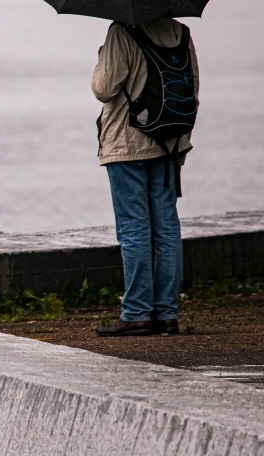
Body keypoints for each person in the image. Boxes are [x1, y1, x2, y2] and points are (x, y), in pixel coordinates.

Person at [91, 18, 199, 337]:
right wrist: (182, 142)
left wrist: (102, 56)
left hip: (127, 143)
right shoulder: (180, 32)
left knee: (133, 226)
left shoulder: (121, 31)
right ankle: (166, 313)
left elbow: (103, 88)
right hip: (167, 141)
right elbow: (191, 88)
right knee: (165, 226)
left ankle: (136, 312)